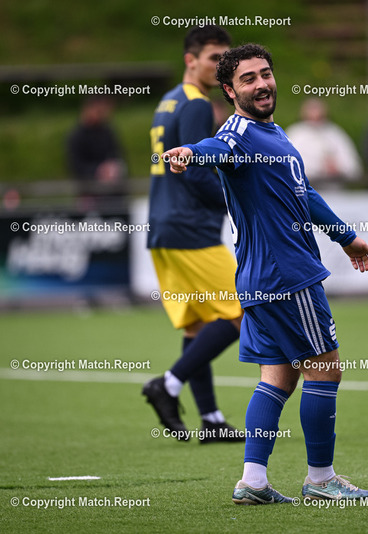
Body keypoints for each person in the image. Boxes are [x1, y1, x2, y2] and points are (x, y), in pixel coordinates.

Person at [163, 43, 368, 504]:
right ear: (229, 90)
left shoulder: (274, 133)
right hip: (287, 277)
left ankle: (254, 482)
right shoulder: (238, 134)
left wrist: (346, 237)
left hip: (259, 280)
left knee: (278, 377)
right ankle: (321, 479)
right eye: (248, 79)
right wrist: (189, 152)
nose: (261, 84)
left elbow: (304, 194)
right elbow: (214, 147)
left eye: (265, 74)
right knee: (325, 370)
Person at [143, 26, 244, 444]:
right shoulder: (198, 103)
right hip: (190, 229)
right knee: (242, 311)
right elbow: (194, 171)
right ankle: (167, 384)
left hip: (163, 226)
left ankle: (212, 419)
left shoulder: (169, 100)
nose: (221, 66)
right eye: (213, 58)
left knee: (198, 326)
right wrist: (238, 200)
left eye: (225, 59)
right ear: (191, 60)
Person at [66, 95, 127, 211]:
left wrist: (113, 168)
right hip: (89, 192)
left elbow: (117, 155)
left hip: (113, 192)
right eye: (100, 111)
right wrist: (98, 171)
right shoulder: (76, 136)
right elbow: (75, 166)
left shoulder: (107, 132)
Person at [285, 97, 362, 189]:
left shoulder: (335, 134)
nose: (315, 118)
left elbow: (354, 167)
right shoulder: (295, 135)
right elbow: (289, 166)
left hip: (336, 190)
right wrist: (321, 168)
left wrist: (339, 168)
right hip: (305, 190)